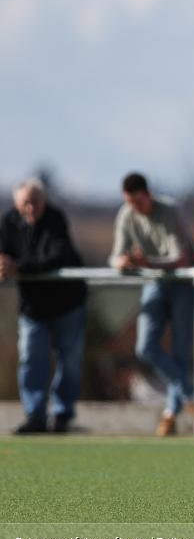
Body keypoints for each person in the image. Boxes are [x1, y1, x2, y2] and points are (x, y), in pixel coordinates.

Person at [110, 173, 194, 436]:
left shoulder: (169, 210)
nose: (134, 207)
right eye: (129, 202)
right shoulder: (126, 215)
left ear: (147, 194)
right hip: (154, 284)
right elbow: (114, 254)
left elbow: (180, 257)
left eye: (137, 201)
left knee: (180, 352)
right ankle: (191, 392)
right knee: (145, 346)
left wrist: (147, 262)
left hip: (181, 283)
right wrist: (122, 262)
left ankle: (170, 414)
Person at [0, 179, 87, 434]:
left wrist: (19, 267)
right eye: (25, 203)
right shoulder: (9, 223)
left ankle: (61, 414)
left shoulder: (55, 220)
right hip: (33, 307)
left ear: (44, 201)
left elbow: (54, 257)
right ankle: (35, 415)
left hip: (67, 303)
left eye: (35, 202)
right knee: (30, 358)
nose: (30, 208)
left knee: (69, 360)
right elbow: (6, 255)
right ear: (16, 204)